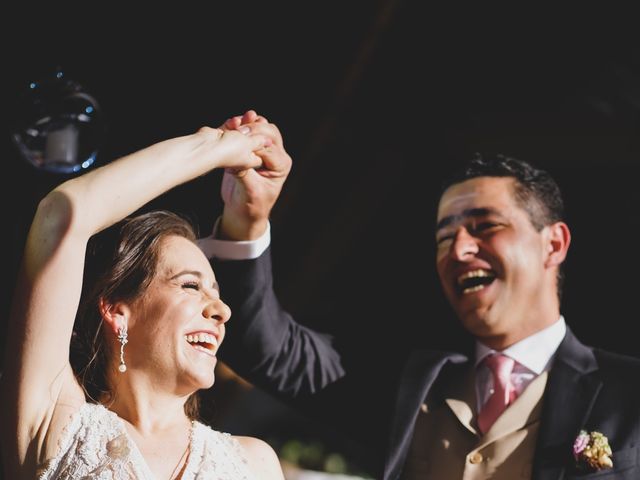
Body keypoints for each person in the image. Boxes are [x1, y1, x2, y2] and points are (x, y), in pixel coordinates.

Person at [200, 110, 640, 479]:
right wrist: (247, 218)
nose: (460, 249)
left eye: (485, 226)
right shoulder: (411, 381)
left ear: (554, 244)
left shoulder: (628, 392)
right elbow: (265, 347)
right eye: (445, 237)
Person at [0, 120, 286, 480]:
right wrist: (213, 148)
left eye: (217, 292)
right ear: (118, 310)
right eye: (190, 286)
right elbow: (63, 213)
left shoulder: (255, 464)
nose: (222, 310)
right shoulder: (55, 428)